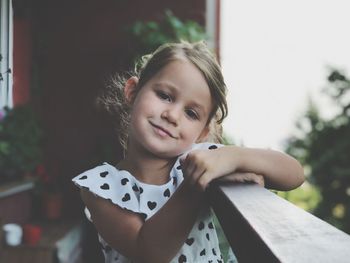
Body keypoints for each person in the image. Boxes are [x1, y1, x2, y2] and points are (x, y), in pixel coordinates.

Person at [72, 41, 304, 263]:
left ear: (203, 132)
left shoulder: (202, 158)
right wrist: (194, 186)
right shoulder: (101, 187)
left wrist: (232, 157)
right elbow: (148, 253)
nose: (172, 116)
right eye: (164, 96)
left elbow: (293, 174)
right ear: (133, 91)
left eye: (191, 113)